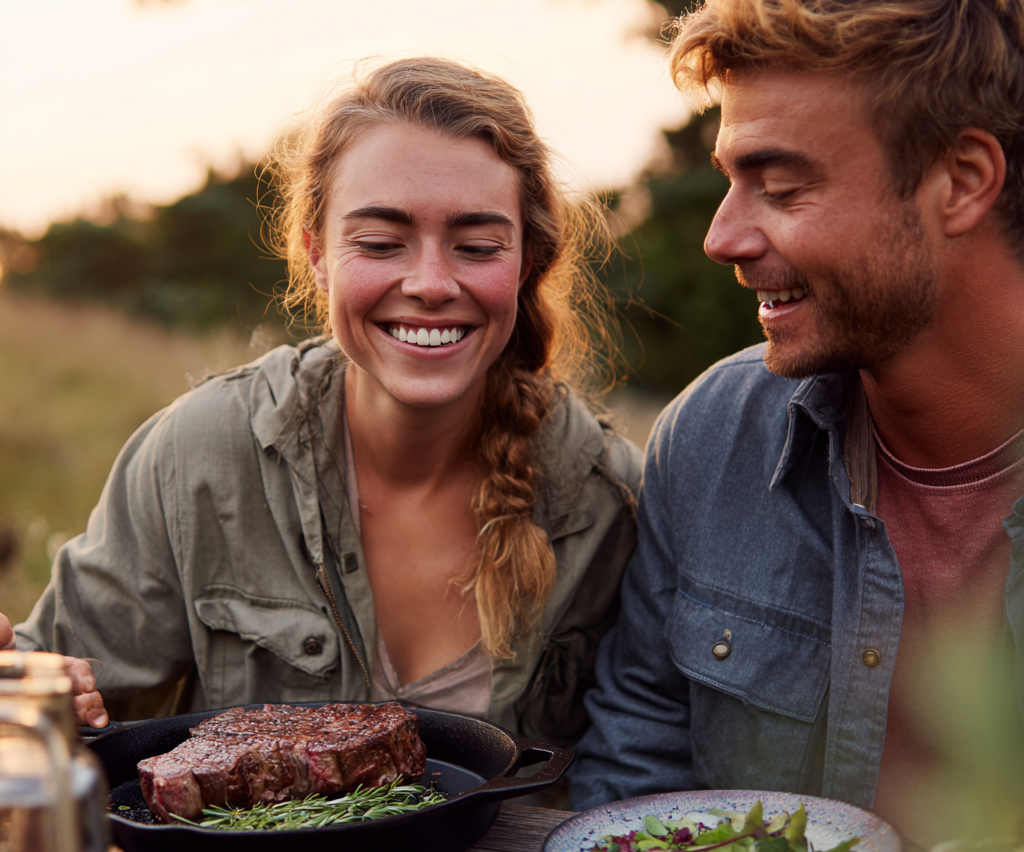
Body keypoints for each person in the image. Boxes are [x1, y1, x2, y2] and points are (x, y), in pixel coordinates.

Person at [3, 58, 641, 750]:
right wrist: (24, 691)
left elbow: (645, 759)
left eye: (477, 245)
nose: (430, 282)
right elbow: (46, 700)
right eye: (379, 243)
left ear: (526, 263)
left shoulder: (608, 500)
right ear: (316, 255)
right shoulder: (199, 457)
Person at [570, 0, 1024, 846]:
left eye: (781, 188)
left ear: (961, 180)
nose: (721, 236)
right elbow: (634, 781)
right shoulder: (711, 436)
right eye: (730, 181)